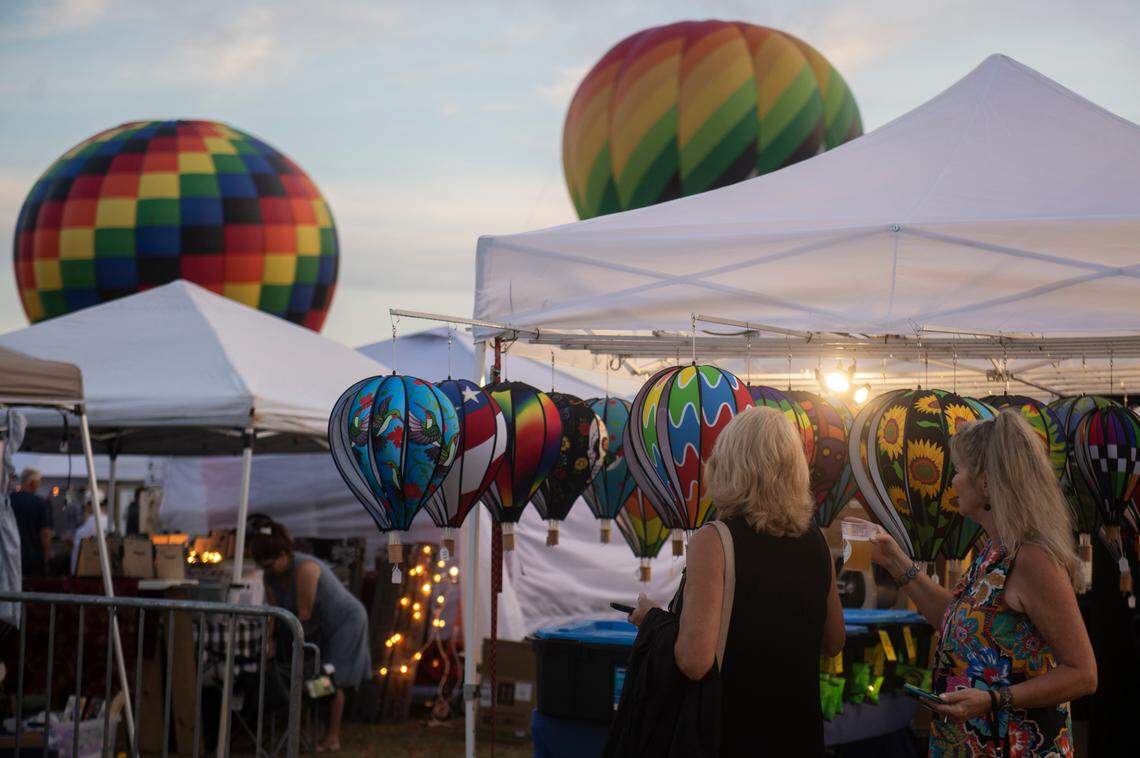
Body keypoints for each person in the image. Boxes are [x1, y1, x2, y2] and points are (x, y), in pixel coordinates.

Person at [852, 409, 1097, 756]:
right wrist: (894, 560)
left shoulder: (1032, 558)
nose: (951, 482)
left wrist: (992, 699)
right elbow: (956, 622)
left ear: (985, 483)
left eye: (958, 471)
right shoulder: (993, 551)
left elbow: (1083, 673)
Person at [627, 406, 845, 756]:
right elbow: (834, 641)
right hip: (798, 733)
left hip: (731, 733)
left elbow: (694, 661)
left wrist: (653, 620)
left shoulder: (714, 541)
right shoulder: (815, 541)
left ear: (727, 465)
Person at [249, 517, 370, 753]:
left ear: (284, 553)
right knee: (306, 678)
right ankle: (302, 731)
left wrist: (292, 650)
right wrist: (271, 642)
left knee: (329, 677)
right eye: (263, 566)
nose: (268, 570)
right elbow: (276, 613)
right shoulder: (269, 575)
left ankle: (332, 736)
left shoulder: (305, 569)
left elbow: (303, 615)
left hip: (343, 622)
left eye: (271, 564)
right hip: (315, 625)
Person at [11, 468, 53, 576]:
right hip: (33, 558)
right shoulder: (41, 503)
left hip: (10, 556)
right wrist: (47, 558)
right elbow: (45, 534)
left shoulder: (8, 501)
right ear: (33, 483)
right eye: (38, 483)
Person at [70, 493, 108, 574]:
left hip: (85, 570)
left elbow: (80, 543)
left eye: (86, 504)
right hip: (101, 569)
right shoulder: (108, 521)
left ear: (90, 505)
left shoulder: (92, 522)